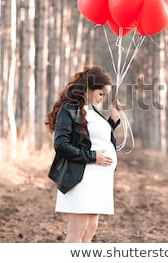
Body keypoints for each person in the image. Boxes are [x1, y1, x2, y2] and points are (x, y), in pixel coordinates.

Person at [45, 65, 121, 243]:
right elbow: (61, 145)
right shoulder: (69, 110)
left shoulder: (92, 111)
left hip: (98, 181)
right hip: (81, 179)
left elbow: (95, 137)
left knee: (90, 230)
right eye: (101, 94)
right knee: (77, 232)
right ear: (89, 88)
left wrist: (113, 120)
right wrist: (93, 157)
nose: (102, 98)